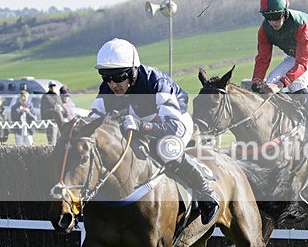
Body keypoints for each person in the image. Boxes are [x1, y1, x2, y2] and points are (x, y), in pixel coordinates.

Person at [89, 38, 219, 224]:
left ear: (133, 71)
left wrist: (141, 126)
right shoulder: (108, 88)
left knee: (165, 148)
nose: (113, 84)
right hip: (137, 122)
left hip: (174, 123)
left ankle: (206, 192)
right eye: (106, 77)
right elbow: (93, 120)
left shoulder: (156, 82)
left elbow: (174, 127)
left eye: (118, 77)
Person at [250, 0, 308, 145]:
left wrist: (281, 84)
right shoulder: (264, 30)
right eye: (268, 17)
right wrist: (256, 81)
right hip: (293, 56)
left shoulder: (301, 25)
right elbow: (262, 59)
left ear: (285, 12)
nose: (273, 22)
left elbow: (302, 63)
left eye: (276, 17)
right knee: (269, 83)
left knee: (297, 83)